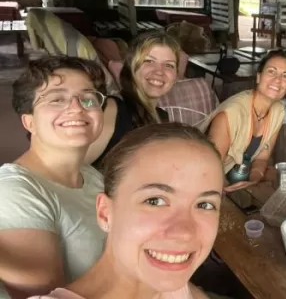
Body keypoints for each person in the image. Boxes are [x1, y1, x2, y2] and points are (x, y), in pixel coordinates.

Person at [28, 122, 225, 299]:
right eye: (155, 201)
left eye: (205, 204)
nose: (184, 233)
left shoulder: (166, 278)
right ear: (105, 213)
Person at [0, 56, 107, 298]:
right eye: (57, 99)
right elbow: (45, 290)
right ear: (29, 122)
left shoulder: (91, 176)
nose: (77, 107)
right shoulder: (16, 190)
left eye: (88, 98)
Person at [200, 49, 286, 192]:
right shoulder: (231, 114)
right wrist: (231, 190)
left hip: (238, 176)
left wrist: (253, 180)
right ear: (258, 77)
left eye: (285, 76)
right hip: (208, 178)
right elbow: (211, 169)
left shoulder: (278, 111)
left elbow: (262, 158)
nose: (278, 80)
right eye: (271, 71)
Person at [85, 31, 181, 165]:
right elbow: (74, 168)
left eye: (169, 65)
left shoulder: (162, 116)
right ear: (130, 66)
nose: (159, 71)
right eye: (149, 61)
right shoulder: (113, 109)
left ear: (176, 75)